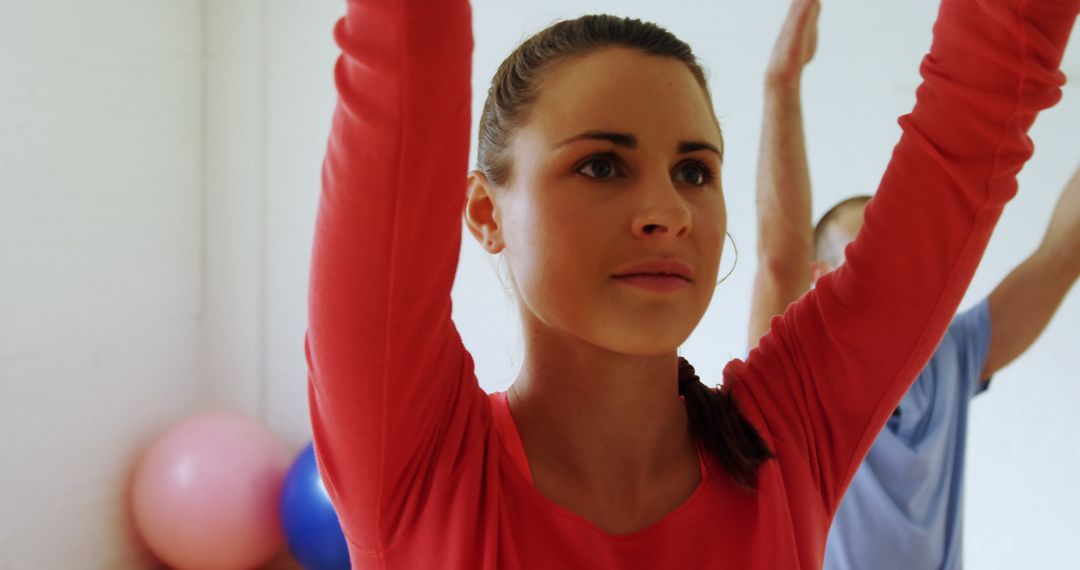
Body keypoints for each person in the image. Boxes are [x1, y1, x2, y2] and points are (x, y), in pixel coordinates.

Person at [306, 0, 1078, 567]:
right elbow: (407, 43)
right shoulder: (418, 466)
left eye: (694, 171)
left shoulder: (786, 443)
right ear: (485, 211)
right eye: (601, 164)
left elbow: (974, 117)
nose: (667, 211)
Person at [749, 3, 1080, 569]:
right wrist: (782, 85)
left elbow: (1062, 251)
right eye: (859, 260)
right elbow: (779, 260)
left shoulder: (953, 351)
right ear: (819, 280)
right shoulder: (800, 378)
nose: (889, 272)